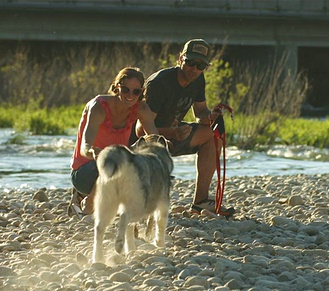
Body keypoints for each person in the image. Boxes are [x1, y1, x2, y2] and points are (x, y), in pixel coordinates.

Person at [133, 38, 235, 216]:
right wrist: (171, 132)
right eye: (190, 63)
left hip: (174, 135)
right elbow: (142, 128)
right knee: (154, 142)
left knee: (211, 134)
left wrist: (211, 117)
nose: (194, 69)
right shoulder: (159, 83)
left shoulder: (197, 79)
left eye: (200, 65)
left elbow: (200, 112)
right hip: (143, 142)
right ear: (180, 59)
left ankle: (200, 202)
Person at [70, 67, 158, 216]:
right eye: (125, 90)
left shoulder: (141, 109)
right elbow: (84, 147)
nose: (130, 95)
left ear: (141, 92)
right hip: (85, 172)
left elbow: (156, 140)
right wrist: (95, 152)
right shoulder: (99, 107)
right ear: (117, 88)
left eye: (136, 92)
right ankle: (87, 204)